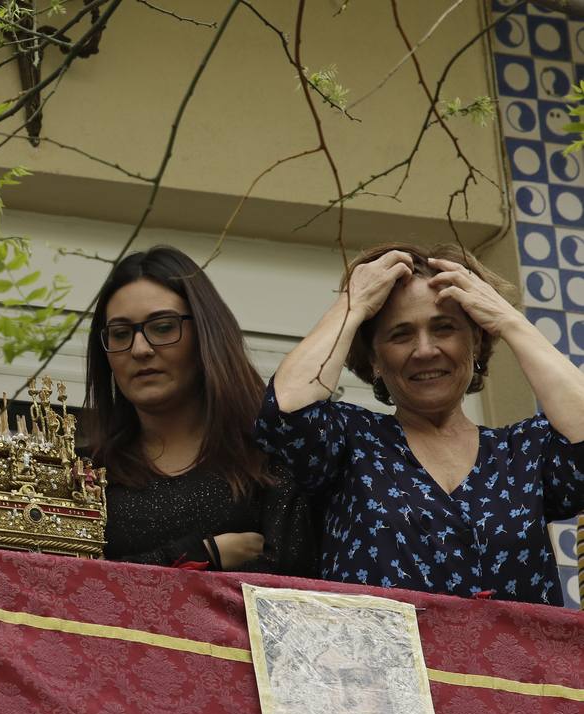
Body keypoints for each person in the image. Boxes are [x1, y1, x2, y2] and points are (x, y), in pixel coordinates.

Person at [257, 243, 584, 604]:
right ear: (374, 359)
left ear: (476, 341)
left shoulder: (523, 451)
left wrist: (509, 321)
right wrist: (353, 306)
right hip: (379, 661)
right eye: (401, 334)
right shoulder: (350, 441)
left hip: (521, 661)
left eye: (444, 328)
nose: (425, 350)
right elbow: (284, 411)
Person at [87, 246, 316, 575]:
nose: (139, 349)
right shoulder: (85, 475)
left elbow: (296, 585)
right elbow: (59, 584)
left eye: (163, 327)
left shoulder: (270, 455)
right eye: (121, 334)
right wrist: (200, 554)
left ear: (206, 334)